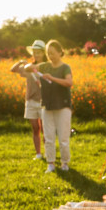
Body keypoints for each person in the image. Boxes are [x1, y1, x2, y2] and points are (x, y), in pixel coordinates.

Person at [33, 39, 73, 173]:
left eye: (53, 53)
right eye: (48, 53)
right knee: (49, 137)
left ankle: (65, 163)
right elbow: (29, 68)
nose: (50, 56)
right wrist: (31, 67)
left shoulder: (65, 67)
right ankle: (50, 163)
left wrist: (52, 78)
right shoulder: (45, 66)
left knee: (63, 138)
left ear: (60, 52)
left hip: (63, 106)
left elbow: (69, 82)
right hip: (47, 106)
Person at [10, 39, 46, 160]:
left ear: (43, 53)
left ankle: (48, 153)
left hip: (44, 102)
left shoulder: (47, 67)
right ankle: (38, 154)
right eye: (34, 52)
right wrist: (21, 62)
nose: (36, 54)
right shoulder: (28, 68)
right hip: (30, 101)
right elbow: (13, 69)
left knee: (45, 129)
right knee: (35, 128)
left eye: (39, 52)